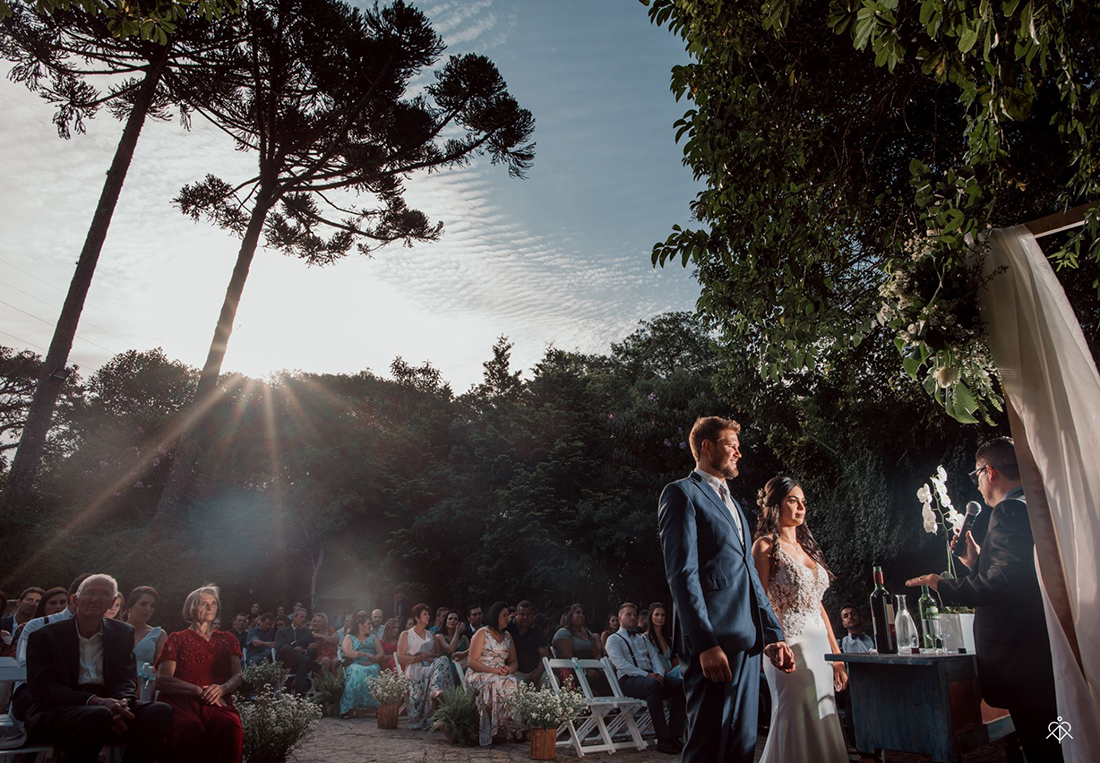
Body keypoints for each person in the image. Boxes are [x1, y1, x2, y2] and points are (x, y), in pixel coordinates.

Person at [906, 437, 1062, 763]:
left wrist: (943, 586)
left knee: (1045, 749)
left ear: (989, 471)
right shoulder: (1035, 506)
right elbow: (1023, 577)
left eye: (976, 475)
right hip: (1042, 660)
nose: (977, 484)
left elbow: (1004, 585)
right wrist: (976, 561)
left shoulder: (1008, 511)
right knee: (1055, 742)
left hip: (1026, 664)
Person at [657, 416, 795, 763]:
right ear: (707, 447)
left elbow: (749, 575)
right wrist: (705, 644)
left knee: (740, 745)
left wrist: (773, 634)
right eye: (731, 444)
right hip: (713, 646)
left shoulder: (733, 504)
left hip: (747, 643)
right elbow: (682, 575)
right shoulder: (681, 494)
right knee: (707, 746)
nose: (739, 452)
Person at [24, 574, 173, 763]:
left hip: (109, 709)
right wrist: (95, 702)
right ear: (75, 600)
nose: (96, 599)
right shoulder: (45, 636)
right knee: (98, 716)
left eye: (104, 594)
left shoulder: (122, 633)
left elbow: (126, 678)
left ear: (112, 602)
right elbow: (45, 691)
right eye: (90, 593)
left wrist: (121, 705)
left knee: (160, 712)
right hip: (59, 711)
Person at [751, 476, 847, 763]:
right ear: (775, 504)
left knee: (823, 713)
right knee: (793, 715)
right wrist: (774, 641)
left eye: (803, 501)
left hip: (820, 647)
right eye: (793, 500)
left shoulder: (808, 551)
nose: (800, 507)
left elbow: (819, 607)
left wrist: (837, 655)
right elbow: (760, 600)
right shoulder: (765, 546)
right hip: (787, 642)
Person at [155, 584, 244, 763]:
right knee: (189, 727)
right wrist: (196, 690)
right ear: (192, 607)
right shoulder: (177, 638)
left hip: (215, 699)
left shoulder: (228, 639)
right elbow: (163, 680)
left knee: (229, 724)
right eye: (204, 603)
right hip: (181, 700)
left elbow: (238, 675)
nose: (210, 607)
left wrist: (223, 688)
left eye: (214, 603)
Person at [605, 602, 686, 755]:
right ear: (620, 617)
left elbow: (655, 658)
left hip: (651, 677)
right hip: (629, 679)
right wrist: (647, 675)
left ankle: (675, 735)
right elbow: (621, 664)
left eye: (635, 615)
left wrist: (660, 674)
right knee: (653, 686)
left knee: (680, 686)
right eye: (629, 614)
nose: (633, 617)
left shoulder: (642, 639)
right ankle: (663, 739)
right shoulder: (613, 639)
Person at [465, 601, 523, 746]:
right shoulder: (482, 633)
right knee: (495, 682)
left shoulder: (508, 636)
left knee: (517, 682)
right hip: (480, 671)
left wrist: (508, 669)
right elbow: (472, 662)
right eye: (504, 615)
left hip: (500, 673)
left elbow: (514, 661)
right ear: (495, 616)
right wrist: (493, 670)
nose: (507, 618)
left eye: (507, 616)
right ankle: (491, 730)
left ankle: (511, 729)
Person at [397, 603, 455, 729]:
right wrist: (418, 657)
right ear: (417, 618)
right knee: (440, 664)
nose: (428, 616)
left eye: (428, 614)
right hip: (415, 668)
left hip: (430, 667)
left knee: (444, 659)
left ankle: (435, 689)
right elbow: (401, 657)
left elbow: (438, 654)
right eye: (425, 614)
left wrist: (429, 656)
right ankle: (435, 690)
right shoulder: (406, 634)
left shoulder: (431, 635)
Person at [339, 611, 383, 718]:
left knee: (373, 669)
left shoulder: (373, 637)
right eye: (368, 624)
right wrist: (363, 653)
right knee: (358, 671)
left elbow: (381, 653)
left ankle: (377, 707)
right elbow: (347, 652)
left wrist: (373, 660)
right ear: (360, 625)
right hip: (355, 663)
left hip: (371, 663)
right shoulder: (349, 637)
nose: (370, 626)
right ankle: (347, 707)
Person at [120, 586, 166, 675]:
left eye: (152, 606)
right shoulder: (115, 630)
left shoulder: (159, 634)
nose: (148, 609)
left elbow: (160, 670)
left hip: (144, 683)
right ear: (130, 606)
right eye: (143, 604)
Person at [275, 609, 319, 696]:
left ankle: (299, 697)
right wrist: (295, 650)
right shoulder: (282, 631)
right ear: (294, 617)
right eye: (301, 617)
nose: (303, 619)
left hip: (299, 663)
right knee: (286, 648)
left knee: (302, 664)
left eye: (305, 618)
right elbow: (279, 648)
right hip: (286, 662)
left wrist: (304, 650)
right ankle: (310, 662)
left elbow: (313, 650)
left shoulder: (308, 633)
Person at [505, 600, 547, 685]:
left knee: (551, 681)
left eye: (528, 614)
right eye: (522, 614)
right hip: (515, 671)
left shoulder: (538, 632)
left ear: (533, 614)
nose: (525, 617)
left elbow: (544, 656)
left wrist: (537, 675)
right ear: (516, 614)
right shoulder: (507, 629)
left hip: (535, 670)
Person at [644, 602, 681, 680]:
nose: (660, 618)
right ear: (651, 616)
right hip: (658, 675)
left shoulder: (669, 639)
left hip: (673, 673)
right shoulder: (644, 638)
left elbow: (676, 660)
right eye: (657, 614)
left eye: (662, 615)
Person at [435, 609, 471, 677]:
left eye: (455, 619)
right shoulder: (440, 636)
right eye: (450, 619)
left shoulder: (464, 638)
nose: (453, 621)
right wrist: (457, 633)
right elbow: (450, 650)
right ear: (446, 621)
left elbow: (470, 654)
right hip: (447, 668)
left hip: (464, 666)